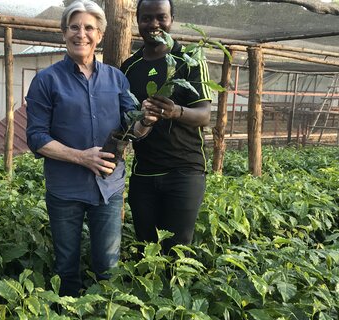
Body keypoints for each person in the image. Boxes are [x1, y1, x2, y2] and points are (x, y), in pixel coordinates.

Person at [25, 0, 158, 297]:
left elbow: (132, 128)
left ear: (99, 35)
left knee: (108, 266)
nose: (80, 34)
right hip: (65, 190)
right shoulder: (47, 81)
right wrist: (81, 157)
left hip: (108, 189)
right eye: (74, 27)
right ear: (64, 33)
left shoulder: (116, 79)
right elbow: (36, 137)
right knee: (66, 266)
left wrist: (146, 121)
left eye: (88, 28)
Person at [120, 0, 212, 255]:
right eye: (146, 18)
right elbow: (126, 118)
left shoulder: (189, 60)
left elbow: (204, 115)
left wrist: (175, 112)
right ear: (137, 20)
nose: (154, 24)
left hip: (184, 170)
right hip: (145, 173)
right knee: (145, 248)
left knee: (176, 250)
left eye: (161, 17)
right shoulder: (129, 67)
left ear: (172, 18)